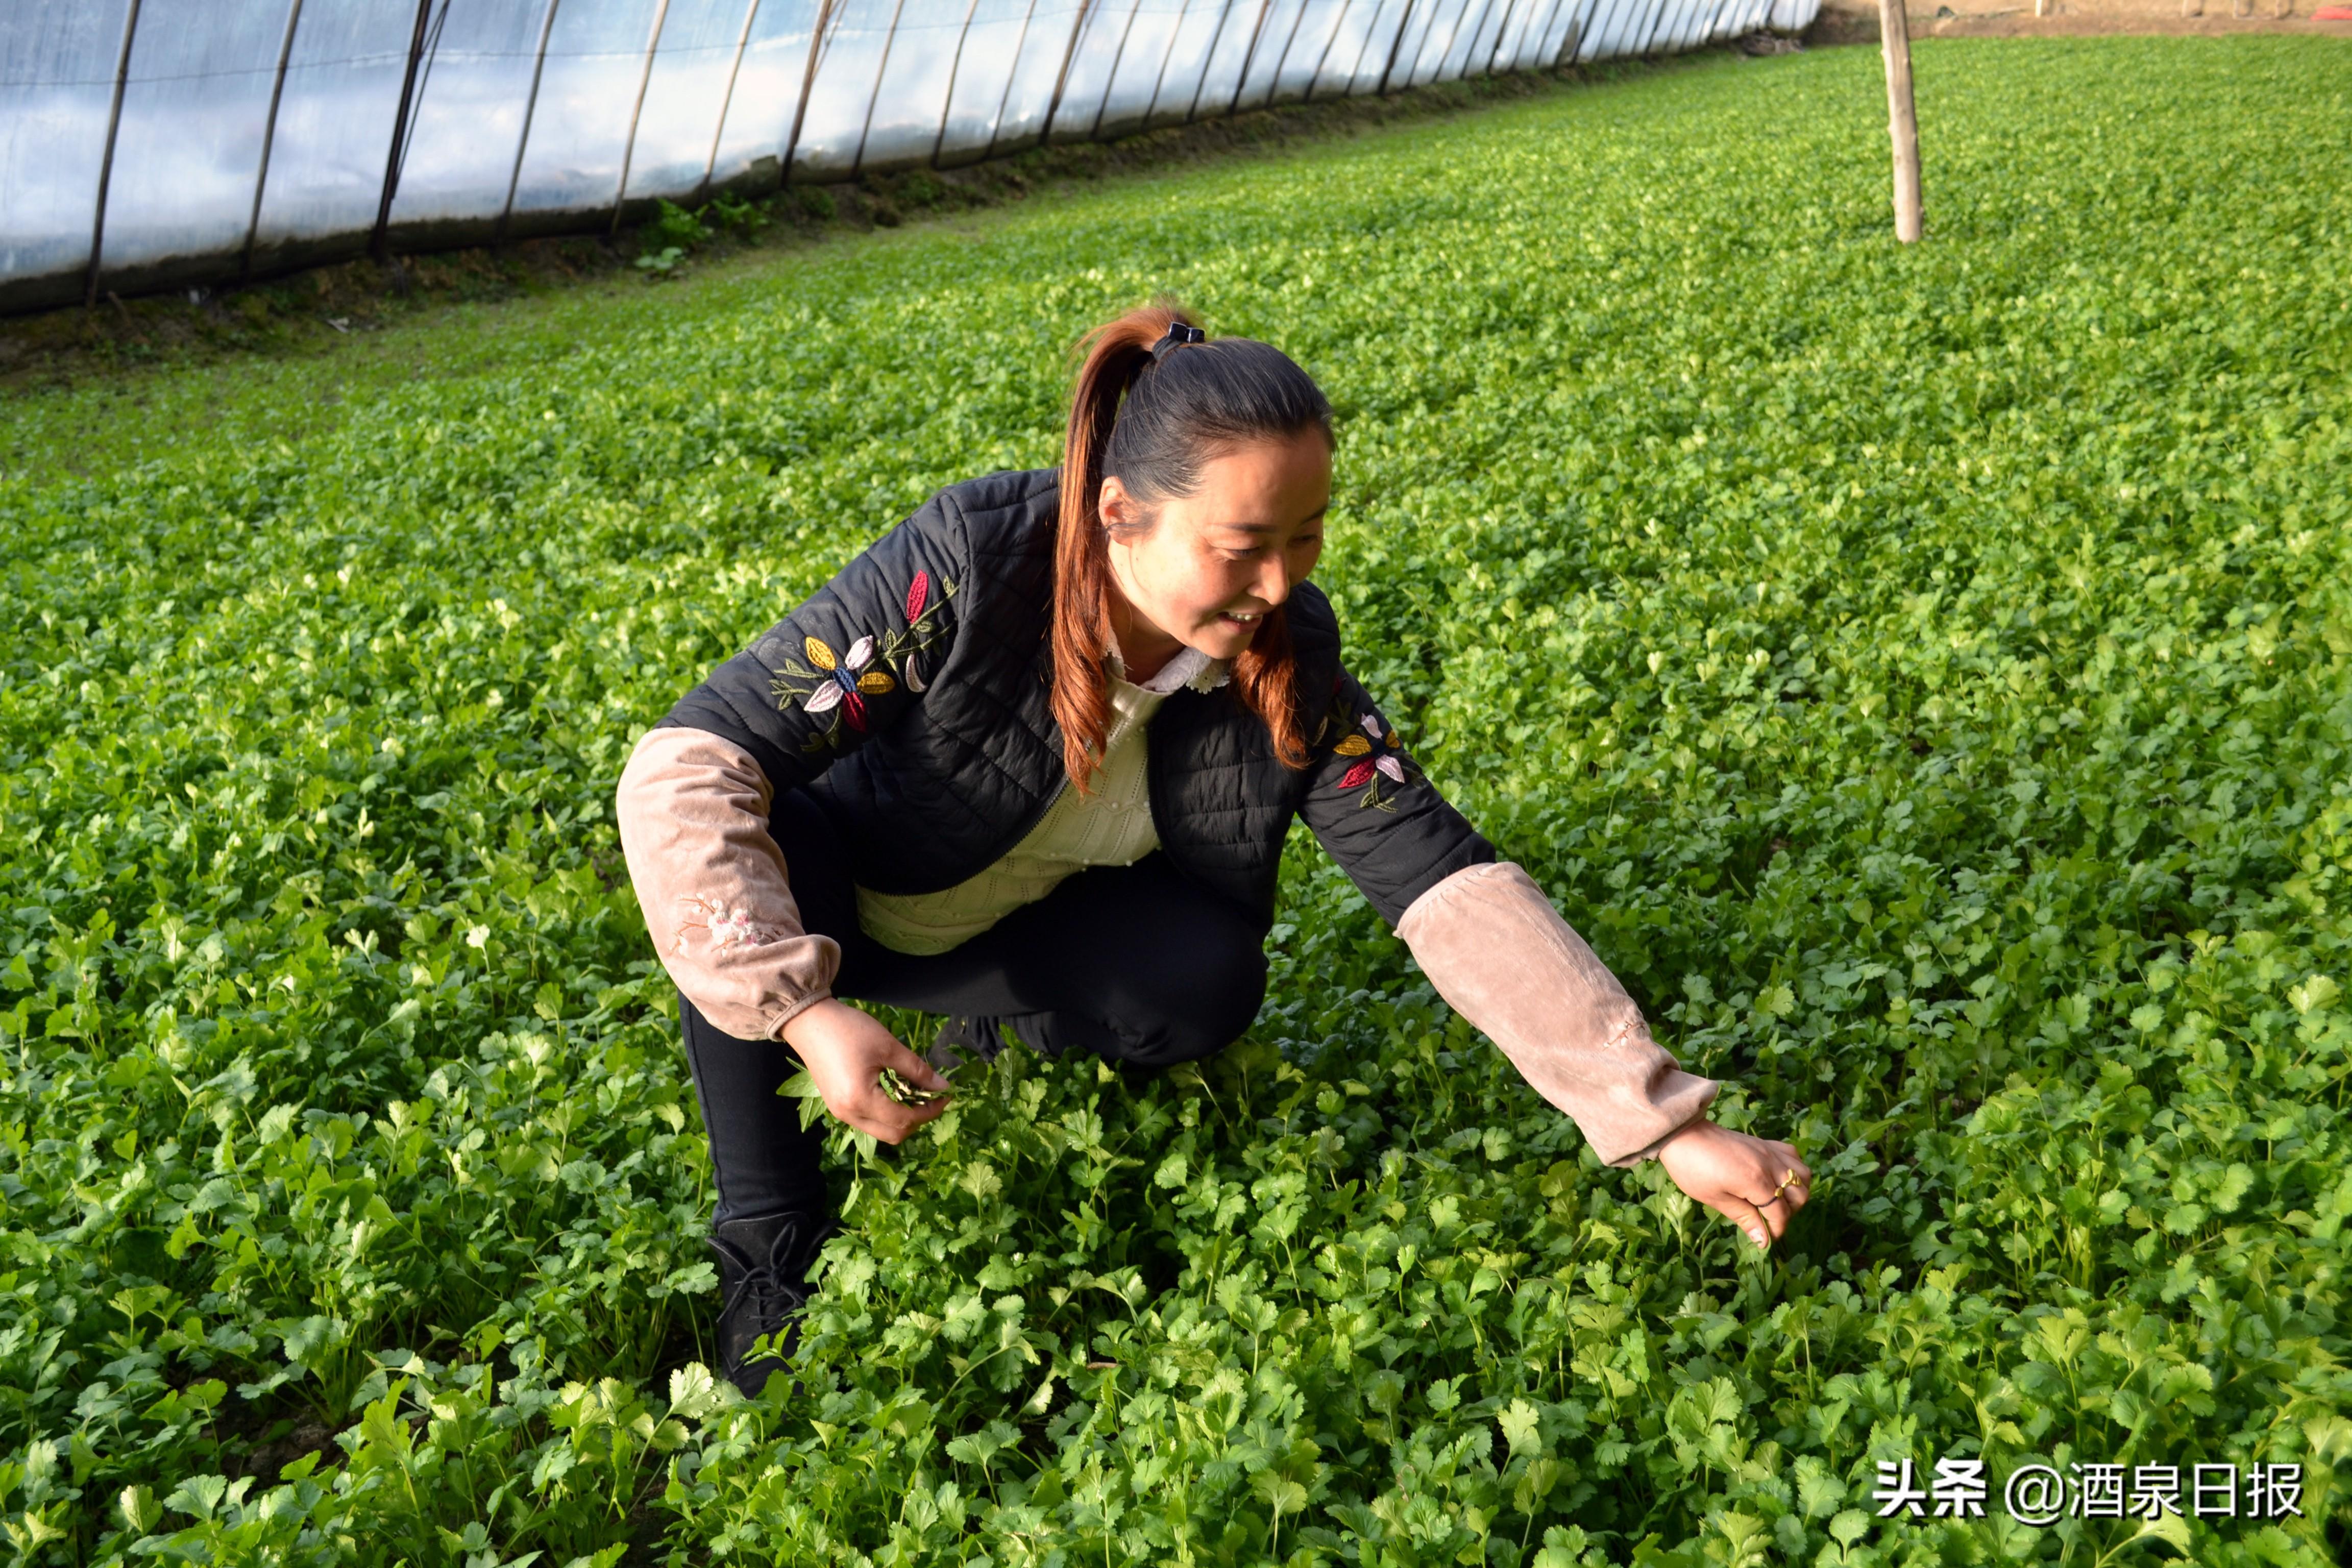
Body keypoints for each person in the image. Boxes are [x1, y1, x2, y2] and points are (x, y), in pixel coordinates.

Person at [616, 302, 1812, 1398]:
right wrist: (794, 1009)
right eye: (1242, 545)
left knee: (1201, 978)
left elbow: (1438, 874)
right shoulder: (972, 565)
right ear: (1119, 514)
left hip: (1011, 928)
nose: (1277, 582)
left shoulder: (1286, 653)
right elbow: (690, 764)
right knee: (735, 862)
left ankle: (983, 1035)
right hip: (847, 897)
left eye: (1307, 536)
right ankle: (769, 1255)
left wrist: (1657, 1116)